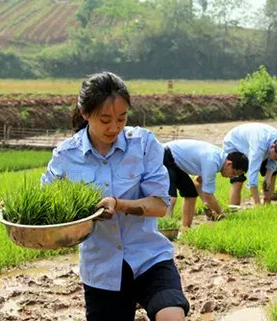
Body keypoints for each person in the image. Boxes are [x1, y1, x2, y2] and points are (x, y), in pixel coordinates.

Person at [41, 72, 189, 321]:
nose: (115, 127)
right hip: (102, 268)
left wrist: (119, 204)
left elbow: (159, 205)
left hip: (148, 256)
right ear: (85, 113)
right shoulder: (66, 156)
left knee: (172, 315)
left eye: (122, 118)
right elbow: (46, 204)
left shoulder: (142, 144)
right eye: (105, 119)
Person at [163, 139, 248, 229]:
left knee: (191, 194)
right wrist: (221, 214)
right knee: (170, 197)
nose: (232, 177)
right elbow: (208, 195)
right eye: (234, 173)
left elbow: (198, 182)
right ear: (229, 164)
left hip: (175, 162)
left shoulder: (219, 159)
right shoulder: (212, 161)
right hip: (164, 156)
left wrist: (207, 205)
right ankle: (165, 230)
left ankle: (185, 229)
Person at [222, 123, 277, 205]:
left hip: (255, 143)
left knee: (273, 174)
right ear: (273, 146)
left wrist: (268, 176)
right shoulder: (258, 147)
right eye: (276, 158)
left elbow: (273, 162)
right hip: (235, 144)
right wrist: (257, 203)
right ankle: (234, 210)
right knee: (238, 179)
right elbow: (252, 175)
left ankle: (267, 204)